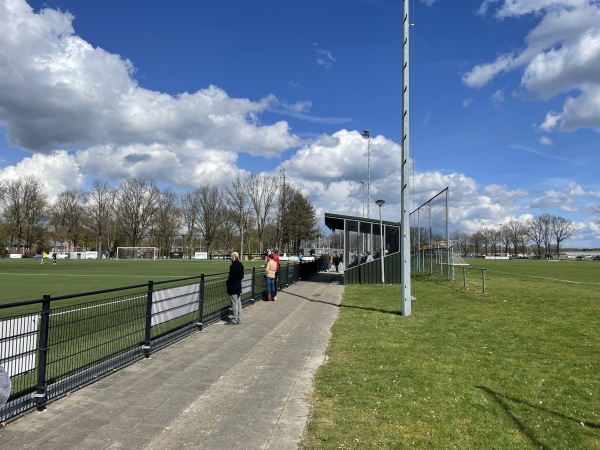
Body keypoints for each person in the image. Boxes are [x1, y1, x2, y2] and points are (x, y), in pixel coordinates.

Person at [225, 251, 245, 325]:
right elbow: (242, 275)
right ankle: (239, 319)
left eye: (231, 256)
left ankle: (235, 319)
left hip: (233, 286)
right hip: (238, 285)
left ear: (233, 257)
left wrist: (228, 282)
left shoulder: (233, 265)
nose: (230, 258)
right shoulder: (240, 264)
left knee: (234, 304)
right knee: (238, 303)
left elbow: (231, 277)